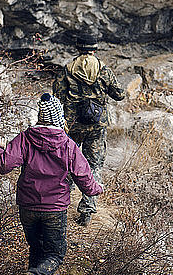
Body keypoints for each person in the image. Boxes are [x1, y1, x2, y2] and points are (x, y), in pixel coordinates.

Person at [0, 93, 103, 275]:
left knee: (36, 249)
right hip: (54, 208)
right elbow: (84, 178)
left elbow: (4, 164)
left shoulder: (25, 138)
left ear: (41, 116)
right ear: (59, 117)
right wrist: (97, 189)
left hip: (28, 206)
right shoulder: (68, 145)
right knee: (55, 254)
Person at [53, 32, 125, 227]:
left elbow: (57, 97)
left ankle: (60, 208)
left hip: (72, 125)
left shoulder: (67, 70)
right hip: (97, 125)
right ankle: (87, 210)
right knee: (94, 166)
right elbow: (120, 94)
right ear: (95, 48)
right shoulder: (104, 70)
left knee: (67, 165)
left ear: (78, 47)